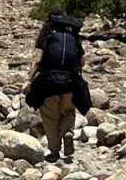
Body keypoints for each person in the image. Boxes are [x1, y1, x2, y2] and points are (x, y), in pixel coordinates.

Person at [26, 10, 89, 163]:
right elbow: (82, 62)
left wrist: (29, 80)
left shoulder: (47, 34)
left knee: (50, 117)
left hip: (49, 83)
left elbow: (37, 60)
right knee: (68, 111)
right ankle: (67, 132)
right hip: (69, 83)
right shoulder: (73, 35)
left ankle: (54, 151)